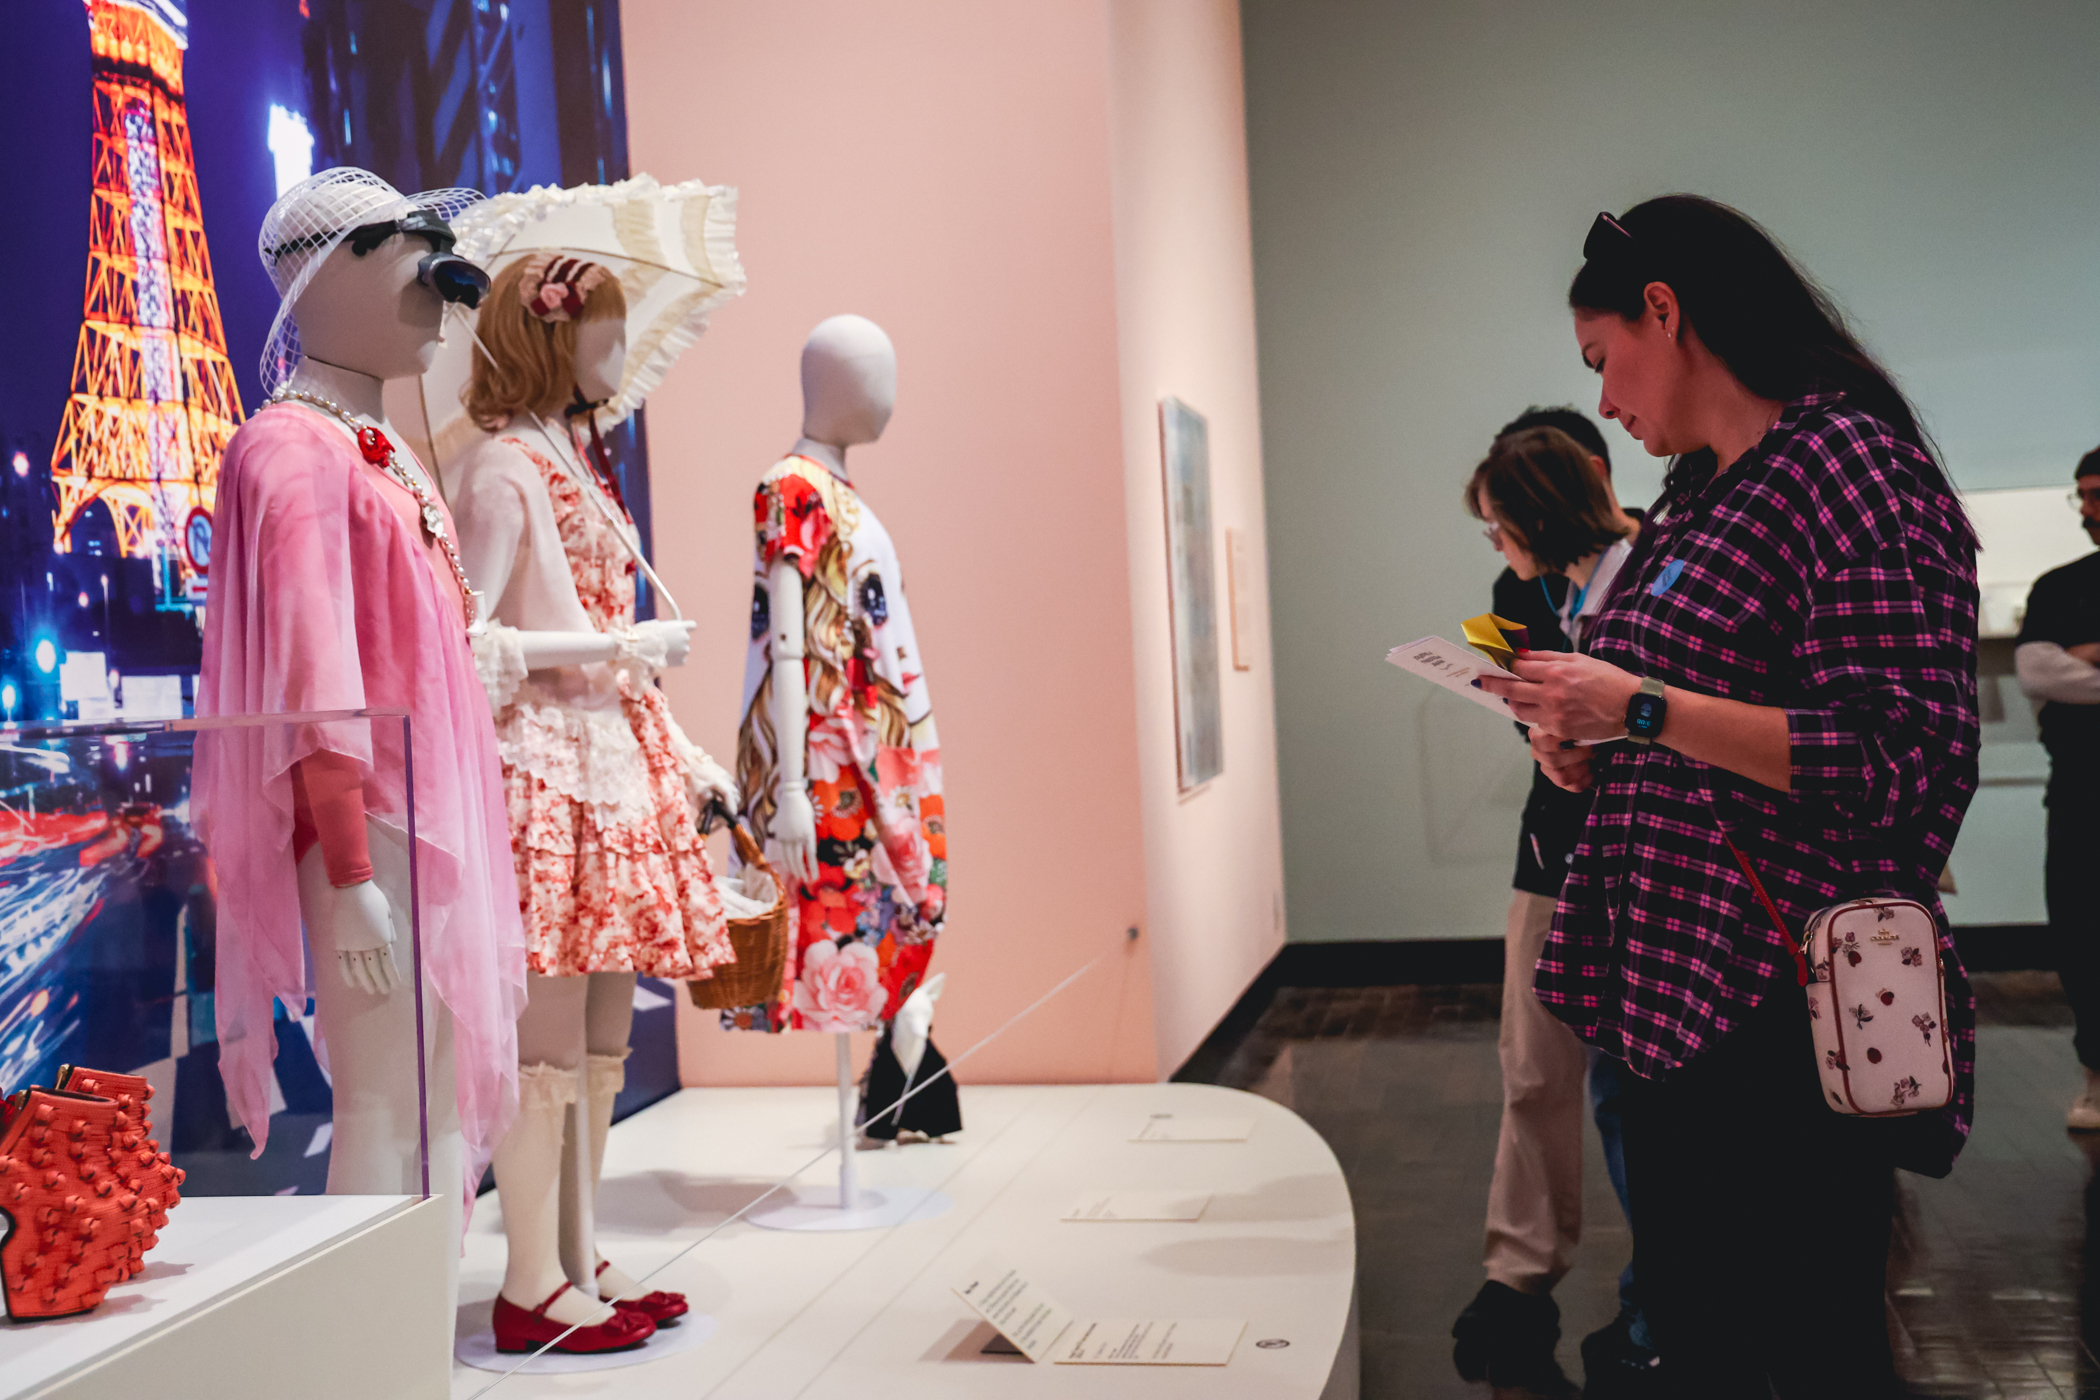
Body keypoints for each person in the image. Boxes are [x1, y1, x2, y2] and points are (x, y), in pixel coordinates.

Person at [1481, 195, 1979, 1398]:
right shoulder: (1704, 493)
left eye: (1605, 361)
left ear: (1668, 311)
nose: (1603, 401)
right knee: (1708, 1334)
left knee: (1799, 1342)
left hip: (1779, 1010)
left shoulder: (1847, 464)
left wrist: (1637, 707)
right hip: (1675, 998)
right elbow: (1674, 715)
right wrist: (1583, 743)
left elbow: (1896, 755)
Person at [1452, 416, 1655, 1400]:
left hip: (1650, 851)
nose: (1498, 542)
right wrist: (1541, 733)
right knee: (1535, 1068)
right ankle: (1518, 1275)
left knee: (1640, 1089)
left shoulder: (1663, 562)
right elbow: (1528, 698)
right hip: (1554, 838)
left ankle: (1663, 1286)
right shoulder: (1513, 585)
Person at [2015, 450, 2100, 1127]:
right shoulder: (2059, 586)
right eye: (2083, 496)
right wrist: (2073, 660)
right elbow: (2041, 673)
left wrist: (2089, 654)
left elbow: (2064, 667)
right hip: (2080, 787)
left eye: (2099, 493)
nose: (2090, 510)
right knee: (2082, 927)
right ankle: (2097, 1070)